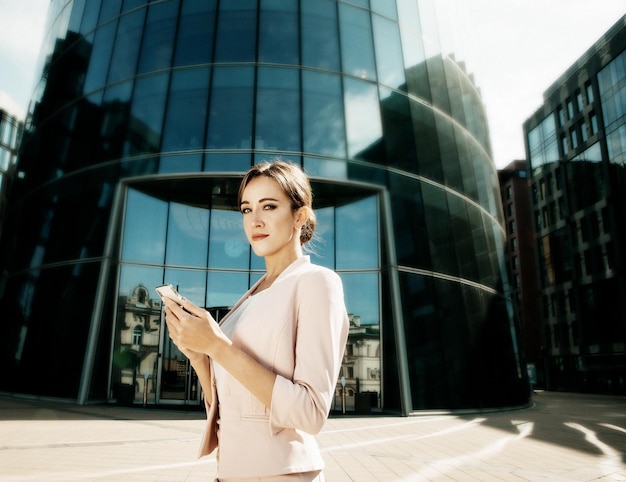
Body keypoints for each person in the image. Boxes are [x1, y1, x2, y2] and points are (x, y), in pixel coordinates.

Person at [161, 159, 350, 481]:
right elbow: (232, 401)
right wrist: (198, 355)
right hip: (231, 469)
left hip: (281, 473)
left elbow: (310, 413)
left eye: (269, 206)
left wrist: (217, 347)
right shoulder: (251, 296)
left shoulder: (317, 282)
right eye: (247, 209)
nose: (255, 220)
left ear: (299, 216)